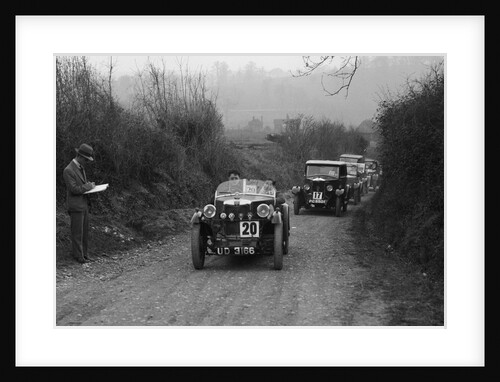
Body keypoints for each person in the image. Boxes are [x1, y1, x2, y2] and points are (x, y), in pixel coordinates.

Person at [63, 143, 96, 264]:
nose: (87, 162)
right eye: (86, 160)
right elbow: (74, 189)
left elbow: (81, 185)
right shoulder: (68, 170)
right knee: (77, 233)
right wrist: (87, 187)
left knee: (84, 232)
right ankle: (78, 256)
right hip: (76, 206)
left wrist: (89, 186)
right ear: (80, 157)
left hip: (83, 205)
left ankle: (85, 255)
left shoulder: (81, 168)